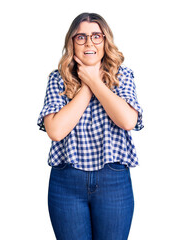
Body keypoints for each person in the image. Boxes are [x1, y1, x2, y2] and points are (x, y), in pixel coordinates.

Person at [37, 12, 143, 240]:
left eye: (96, 36)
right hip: (66, 182)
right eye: (81, 37)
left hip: (113, 181)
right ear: (72, 43)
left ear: (105, 41)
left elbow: (127, 121)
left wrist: (96, 81)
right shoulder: (58, 79)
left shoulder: (122, 76)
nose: (89, 43)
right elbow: (55, 131)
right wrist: (87, 85)